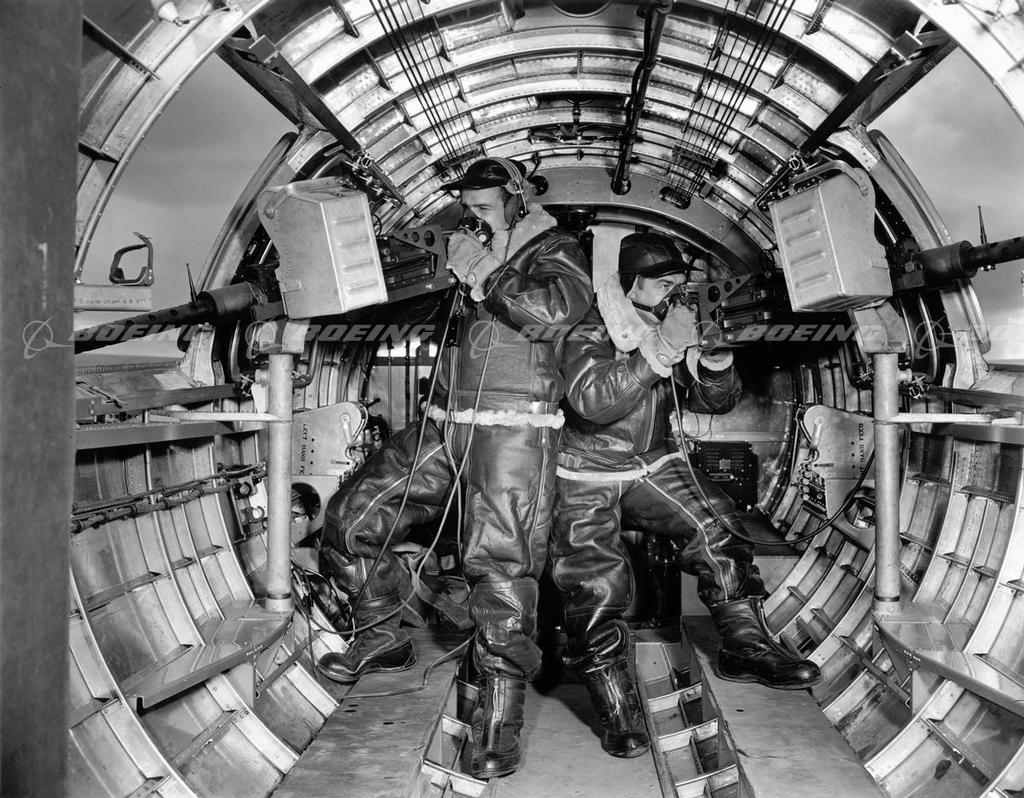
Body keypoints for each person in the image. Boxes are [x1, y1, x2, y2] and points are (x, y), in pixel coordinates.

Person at [316, 157, 592, 779]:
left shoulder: (555, 249)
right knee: (354, 516)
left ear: (517, 199)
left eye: (485, 207)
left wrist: (486, 271)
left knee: (500, 570)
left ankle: (499, 718)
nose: (474, 218)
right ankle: (380, 634)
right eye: (468, 208)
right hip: (446, 423)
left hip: (514, 431)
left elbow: (554, 312)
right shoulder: (470, 249)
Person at [551, 231, 820, 758]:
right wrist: (663, 348)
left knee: (715, 525)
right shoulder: (590, 326)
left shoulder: (667, 325)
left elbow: (715, 402)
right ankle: (616, 707)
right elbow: (593, 401)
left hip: (651, 462)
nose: (675, 294)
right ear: (631, 284)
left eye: (680, 284)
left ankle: (744, 646)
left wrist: (714, 356)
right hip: (584, 469)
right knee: (595, 584)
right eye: (664, 284)